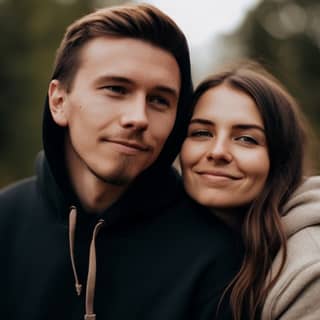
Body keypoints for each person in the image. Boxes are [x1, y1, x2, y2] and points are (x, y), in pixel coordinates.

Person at [0, 4, 242, 320]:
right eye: (116, 89)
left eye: (159, 100)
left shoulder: (215, 254)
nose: (138, 118)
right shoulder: (6, 221)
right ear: (59, 102)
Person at [180, 61, 320, 320]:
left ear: (280, 160)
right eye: (201, 133)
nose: (218, 151)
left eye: (246, 139)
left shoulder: (310, 270)